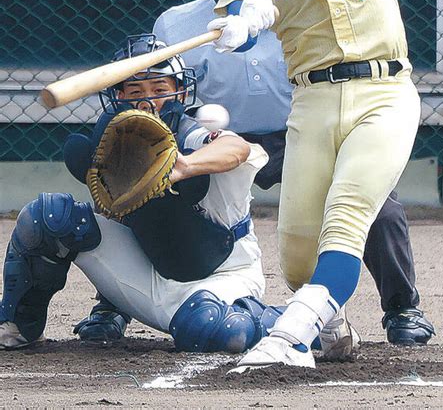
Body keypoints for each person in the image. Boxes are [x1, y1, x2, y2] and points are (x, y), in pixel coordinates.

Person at [192, 0, 432, 369]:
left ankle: (294, 334)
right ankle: (330, 322)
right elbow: (237, 16)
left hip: (383, 92)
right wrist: (236, 25)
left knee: (346, 218)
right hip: (312, 103)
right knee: (298, 255)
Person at [0, 35, 356, 359]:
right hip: (144, 270)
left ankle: (310, 323)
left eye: (159, 88)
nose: (149, 100)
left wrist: (183, 166)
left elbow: (237, 148)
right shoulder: (110, 142)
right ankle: (17, 325)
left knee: (213, 328)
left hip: (222, 274)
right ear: (118, 96)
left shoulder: (194, 133)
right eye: (136, 91)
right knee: (48, 217)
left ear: (179, 92)